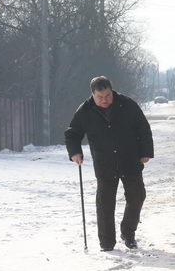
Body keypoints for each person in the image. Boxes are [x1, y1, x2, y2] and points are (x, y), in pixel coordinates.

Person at [65, 76, 154, 251]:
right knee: (105, 204)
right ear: (93, 94)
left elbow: (143, 128)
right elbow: (72, 133)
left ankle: (128, 233)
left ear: (112, 91)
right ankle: (106, 243)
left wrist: (145, 152)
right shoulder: (85, 110)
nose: (105, 100)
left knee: (137, 197)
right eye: (100, 97)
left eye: (107, 96)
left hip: (130, 159)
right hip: (105, 163)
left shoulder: (128, 105)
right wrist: (75, 152)